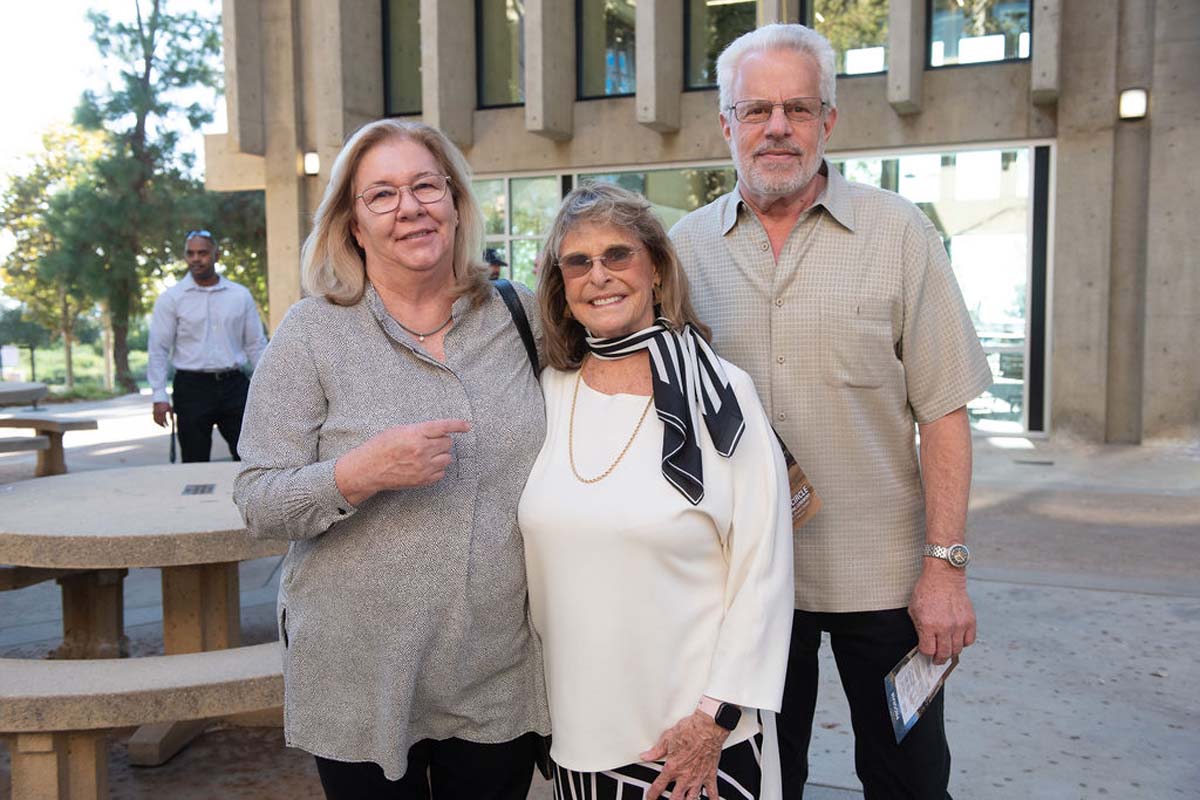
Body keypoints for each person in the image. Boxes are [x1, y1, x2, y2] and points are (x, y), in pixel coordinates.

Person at [669, 24, 995, 799]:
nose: (777, 128)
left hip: (882, 581)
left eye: (797, 108)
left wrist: (944, 570)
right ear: (726, 125)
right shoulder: (681, 250)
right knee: (764, 785)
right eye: (756, 111)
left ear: (828, 122)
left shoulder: (900, 233)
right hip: (745, 590)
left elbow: (945, 410)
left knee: (909, 780)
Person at [232, 119, 549, 799]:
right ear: (352, 223)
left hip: (495, 670)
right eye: (381, 195)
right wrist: (357, 473)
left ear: (456, 205)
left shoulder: (520, 316)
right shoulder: (311, 333)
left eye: (426, 186)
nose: (410, 207)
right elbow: (258, 500)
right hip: (359, 676)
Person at [519, 183, 795, 800]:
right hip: (575, 734)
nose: (599, 276)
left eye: (618, 255)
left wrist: (712, 720)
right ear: (559, 283)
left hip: (691, 740)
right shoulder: (545, 393)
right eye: (578, 261)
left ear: (655, 267)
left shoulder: (722, 395)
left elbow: (764, 573)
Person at [147, 230, 267, 462]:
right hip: (192, 388)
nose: (196, 258)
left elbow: (256, 345)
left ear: (217, 255)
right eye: (190, 253)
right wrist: (159, 396)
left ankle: (245, 499)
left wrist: (269, 388)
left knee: (251, 458)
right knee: (194, 460)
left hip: (234, 385)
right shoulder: (171, 299)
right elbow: (158, 349)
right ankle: (196, 499)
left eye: (202, 253)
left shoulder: (240, 296)